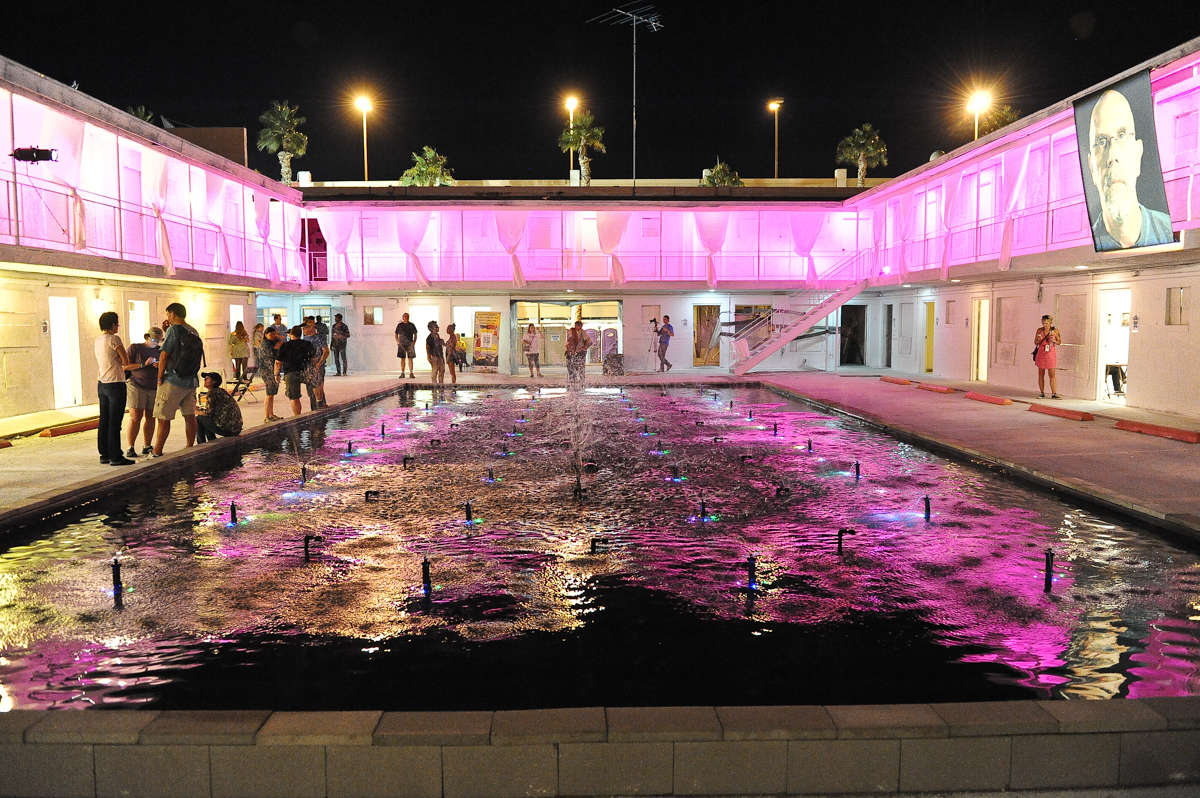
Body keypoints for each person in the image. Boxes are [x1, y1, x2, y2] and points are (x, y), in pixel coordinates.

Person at [1087, 89, 1174, 251]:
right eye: (1101, 141)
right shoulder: (1085, 244)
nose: (1112, 155)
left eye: (1121, 135)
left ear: (1137, 154)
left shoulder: (1168, 231)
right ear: (1092, 167)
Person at [151, 302, 202, 457]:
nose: (168, 317)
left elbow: (164, 355)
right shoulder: (194, 331)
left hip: (173, 380)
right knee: (189, 416)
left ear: (172, 314)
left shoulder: (173, 330)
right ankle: (189, 447)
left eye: (168, 314)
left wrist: (160, 378)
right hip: (191, 381)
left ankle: (157, 451)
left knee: (163, 417)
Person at [95, 311, 134, 466]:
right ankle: (116, 455)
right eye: (117, 323)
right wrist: (119, 358)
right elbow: (126, 361)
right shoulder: (114, 339)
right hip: (115, 383)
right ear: (112, 324)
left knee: (104, 419)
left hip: (102, 383)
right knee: (115, 421)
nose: (118, 325)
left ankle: (104, 453)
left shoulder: (98, 340)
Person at [124, 328, 162, 459]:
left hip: (153, 386)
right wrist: (143, 364)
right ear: (147, 337)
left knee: (151, 416)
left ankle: (147, 445)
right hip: (136, 384)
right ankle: (130, 446)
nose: (156, 342)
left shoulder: (160, 350)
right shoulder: (135, 348)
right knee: (136, 416)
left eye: (158, 340)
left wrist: (159, 366)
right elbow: (125, 366)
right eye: (153, 340)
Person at [275, 326, 315, 417]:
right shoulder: (307, 344)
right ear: (300, 334)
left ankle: (297, 416)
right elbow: (314, 359)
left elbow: (278, 362)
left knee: (294, 397)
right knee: (313, 393)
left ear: (291, 334)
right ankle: (315, 412)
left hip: (291, 372)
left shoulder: (285, 345)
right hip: (306, 371)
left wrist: (276, 374)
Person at [196, 372, 243, 443]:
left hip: (228, 430)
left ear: (214, 381)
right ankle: (211, 440)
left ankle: (201, 444)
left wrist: (196, 411)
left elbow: (209, 413)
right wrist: (199, 409)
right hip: (235, 429)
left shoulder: (212, 393)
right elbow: (212, 411)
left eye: (207, 378)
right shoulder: (220, 391)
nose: (205, 380)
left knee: (198, 418)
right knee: (204, 419)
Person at [257, 325, 284, 422]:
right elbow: (272, 353)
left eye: (274, 334)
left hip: (273, 370)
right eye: (271, 334)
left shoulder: (273, 342)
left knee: (272, 393)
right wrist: (280, 341)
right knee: (269, 393)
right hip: (267, 370)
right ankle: (266, 416)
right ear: (265, 334)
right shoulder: (265, 344)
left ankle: (271, 414)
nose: (273, 336)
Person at [302, 316, 329, 410]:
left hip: (318, 367)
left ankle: (322, 405)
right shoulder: (305, 339)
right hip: (308, 367)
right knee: (310, 390)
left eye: (305, 328)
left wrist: (320, 363)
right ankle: (314, 408)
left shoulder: (319, 337)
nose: (303, 330)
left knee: (319, 386)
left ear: (311, 328)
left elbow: (326, 351)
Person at [1034, 314, 1063, 400]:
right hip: (1042, 353)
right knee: (1041, 373)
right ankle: (1042, 392)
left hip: (1050, 353)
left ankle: (1054, 393)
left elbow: (1059, 342)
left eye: (1046, 323)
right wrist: (1037, 340)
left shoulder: (1055, 331)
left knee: (1052, 374)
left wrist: (1053, 340)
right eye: (1043, 323)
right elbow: (1036, 342)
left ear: (1050, 322)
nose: (1044, 325)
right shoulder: (1039, 330)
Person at [395, 312, 418, 378]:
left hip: (410, 343)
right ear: (403, 317)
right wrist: (398, 341)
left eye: (407, 316)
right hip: (402, 344)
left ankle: (411, 372)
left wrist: (414, 342)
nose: (406, 317)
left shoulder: (411, 325)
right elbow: (396, 334)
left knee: (410, 358)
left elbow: (415, 334)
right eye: (405, 316)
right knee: (402, 359)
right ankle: (402, 372)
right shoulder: (400, 325)